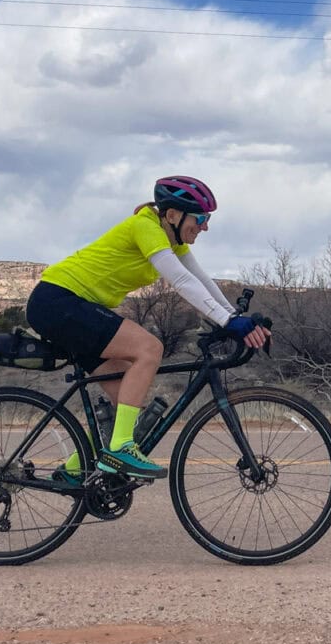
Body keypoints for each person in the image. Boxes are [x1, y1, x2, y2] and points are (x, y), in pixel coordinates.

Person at [25, 175, 270, 482]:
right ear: (172, 215)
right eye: (202, 217)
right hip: (58, 300)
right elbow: (180, 282)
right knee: (149, 348)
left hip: (72, 306)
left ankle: (74, 472)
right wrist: (229, 322)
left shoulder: (172, 239)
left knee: (124, 399)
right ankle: (120, 451)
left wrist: (234, 315)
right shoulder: (146, 227)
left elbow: (201, 280)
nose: (206, 226)